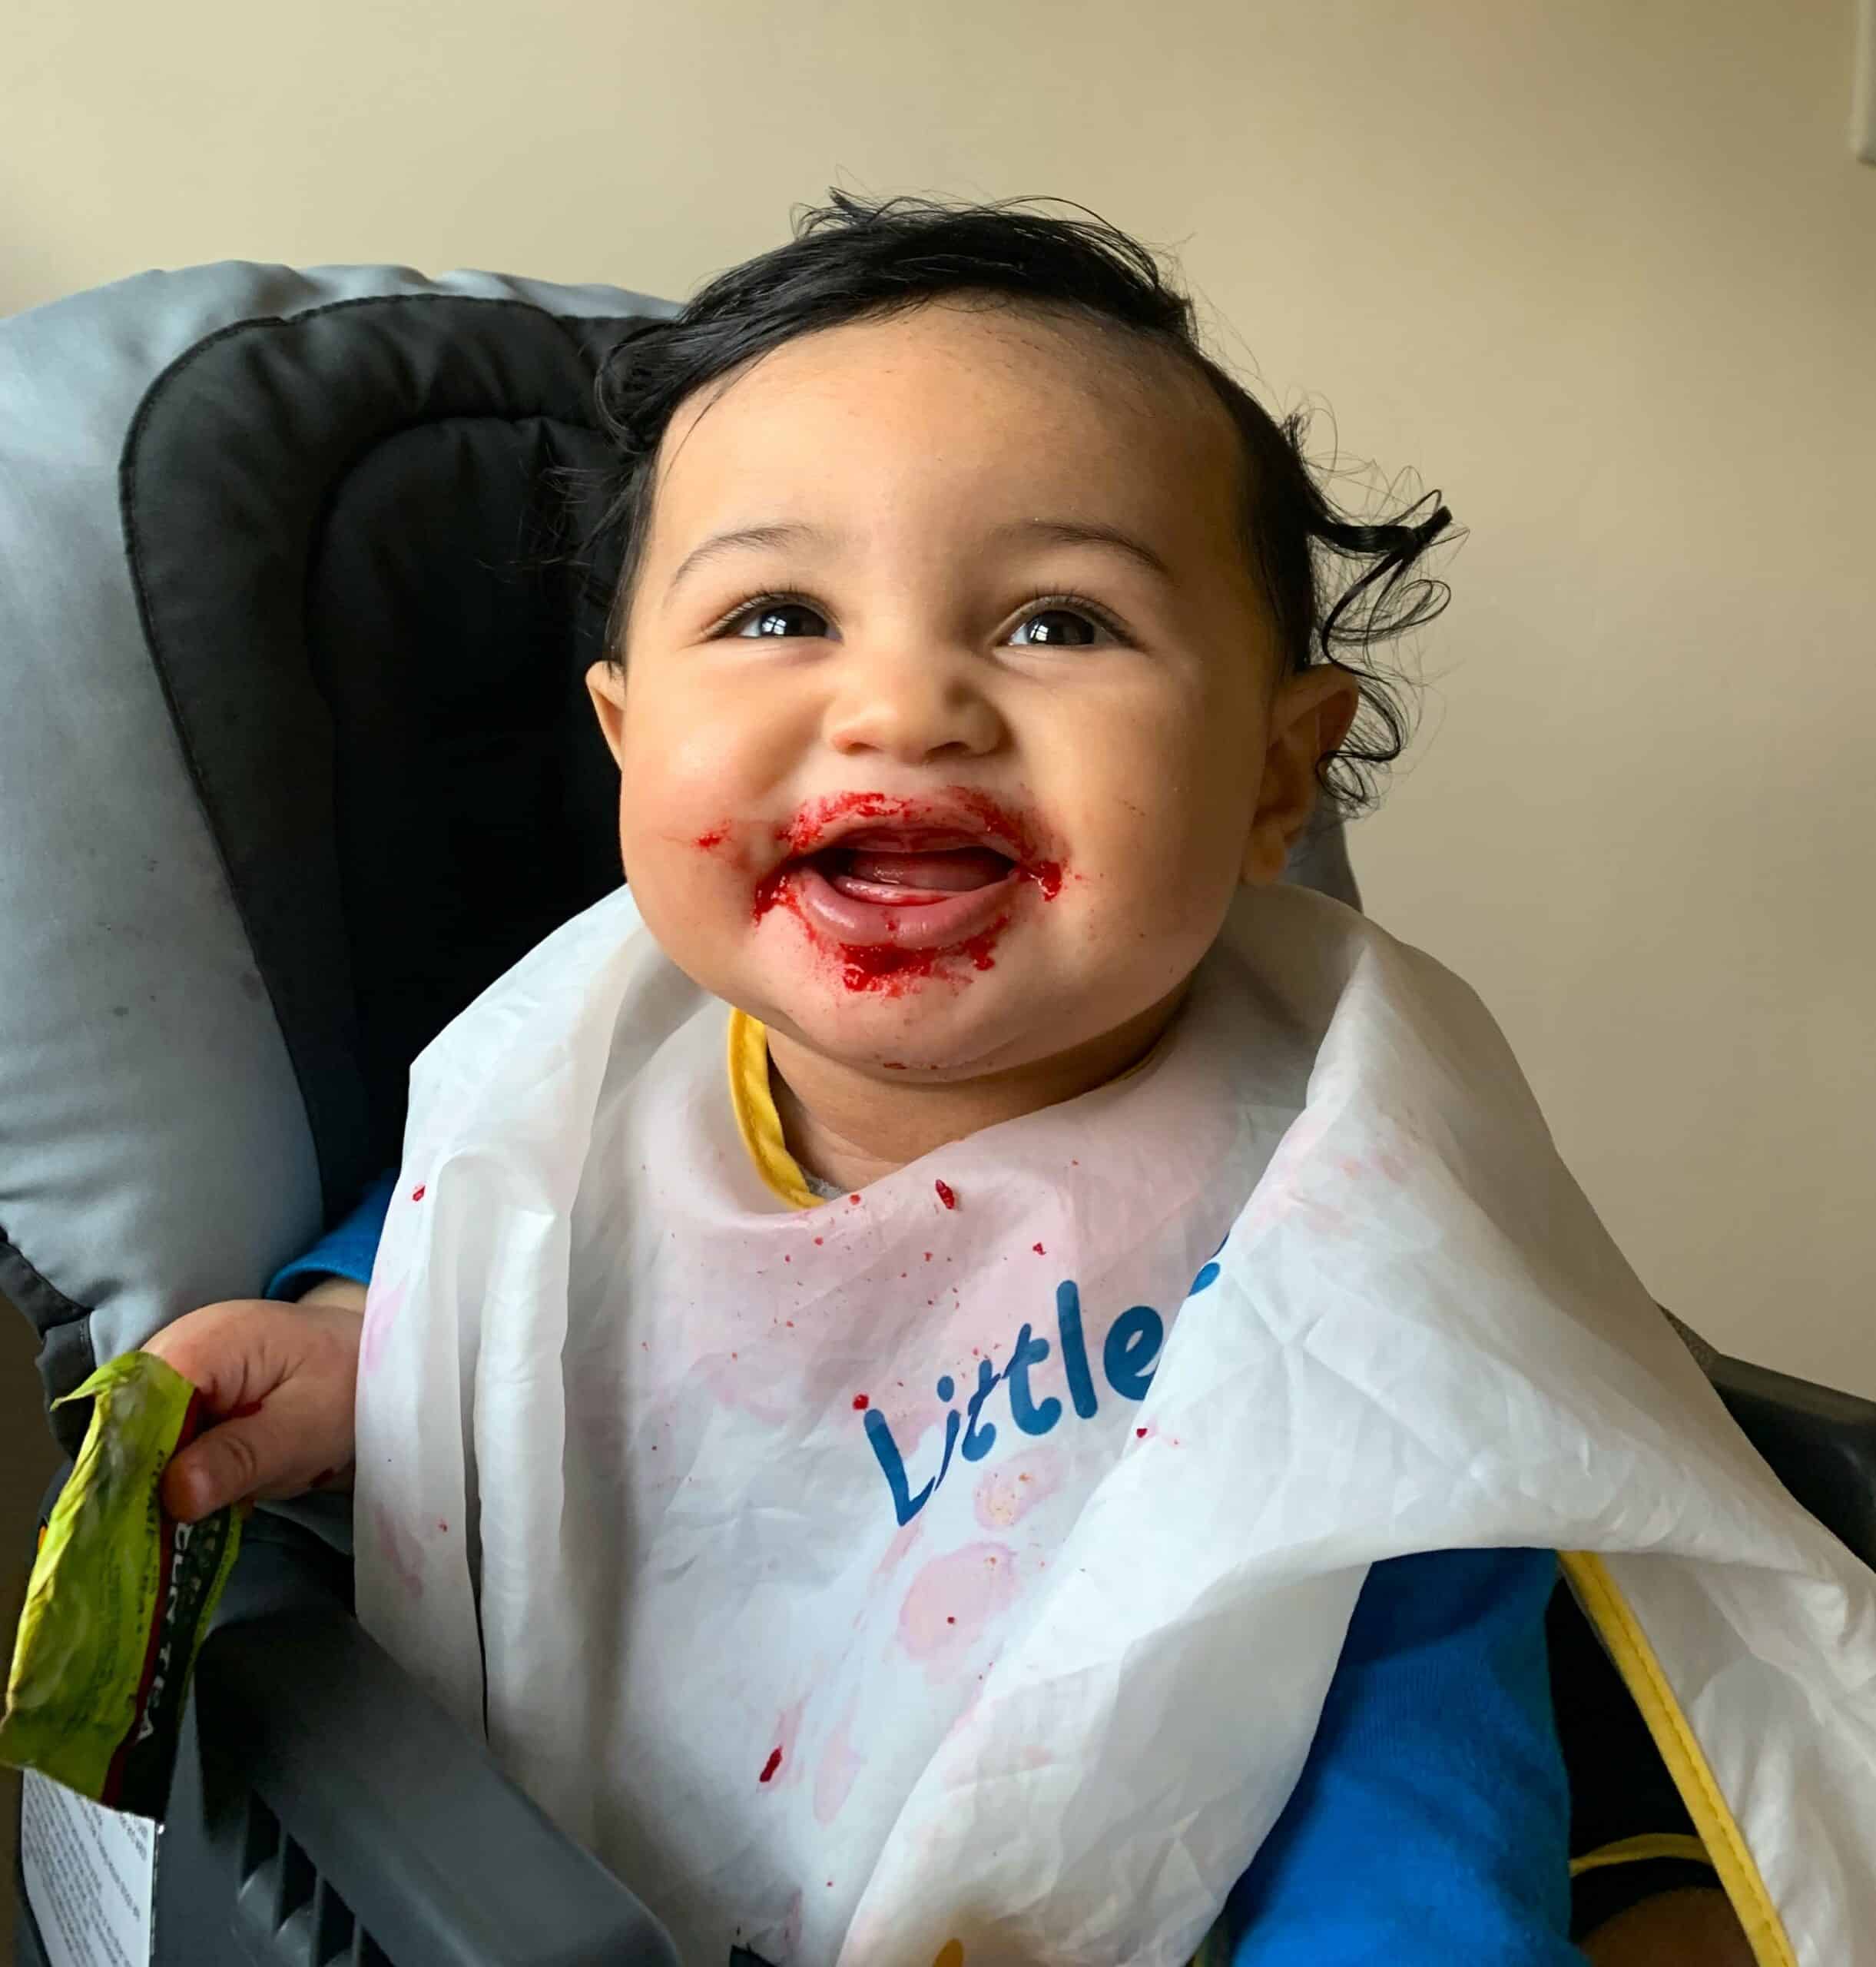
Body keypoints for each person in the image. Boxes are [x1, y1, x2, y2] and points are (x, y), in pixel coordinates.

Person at [141, 195, 1753, 1965]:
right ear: (625, 733)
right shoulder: (590, 1076)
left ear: (1280, 775)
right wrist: (360, 1331)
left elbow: (1413, 1772)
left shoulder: (1345, 1224)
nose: (903, 705)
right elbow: (500, 1225)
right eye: (775, 613)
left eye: (1059, 623)